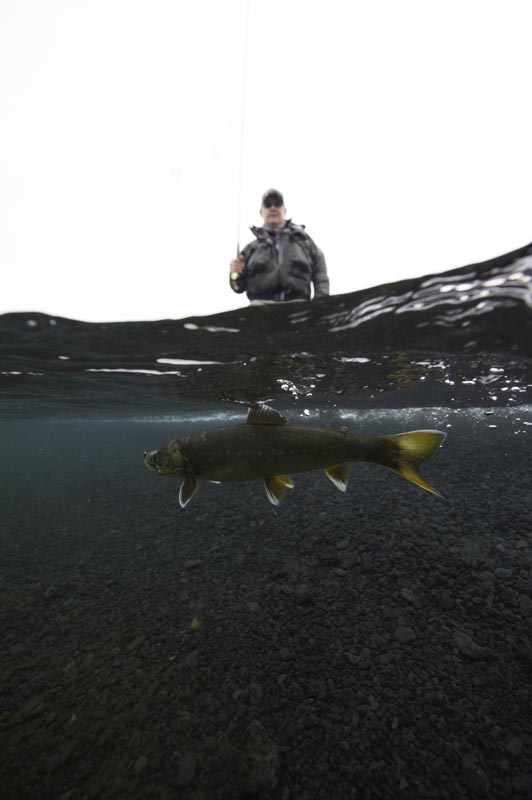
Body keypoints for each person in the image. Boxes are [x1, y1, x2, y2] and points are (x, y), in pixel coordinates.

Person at [229, 189, 329, 303]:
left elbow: (320, 272)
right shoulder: (250, 250)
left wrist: (321, 299)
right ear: (261, 211)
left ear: (284, 210)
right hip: (260, 311)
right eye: (268, 204)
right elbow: (237, 286)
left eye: (277, 203)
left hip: (298, 307)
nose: (273, 207)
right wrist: (235, 274)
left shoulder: (304, 242)